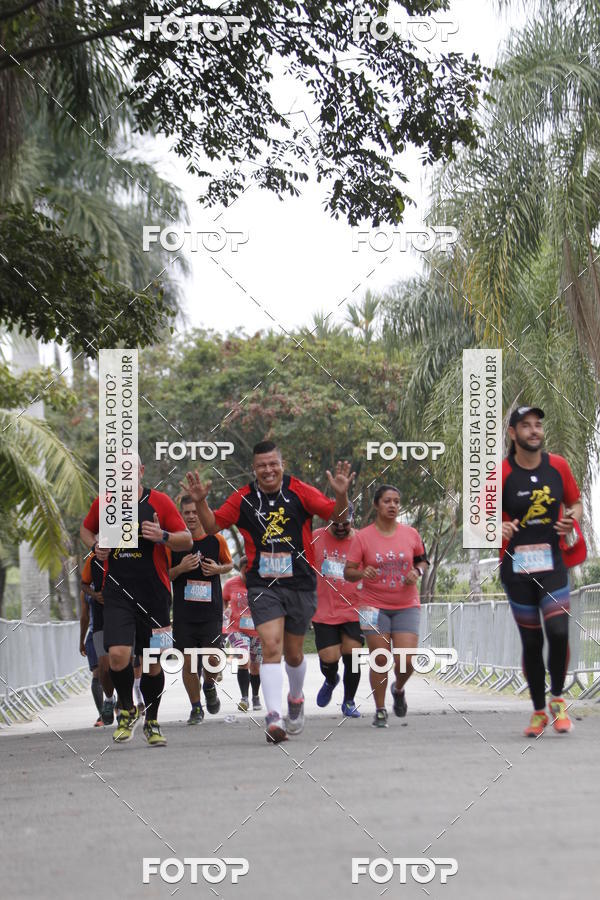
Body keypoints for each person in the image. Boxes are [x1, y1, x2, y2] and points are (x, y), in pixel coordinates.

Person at [184, 440, 354, 743]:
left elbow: (337, 516)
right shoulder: (243, 498)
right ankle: (274, 717)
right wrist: (200, 502)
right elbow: (212, 526)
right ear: (254, 468)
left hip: (300, 582)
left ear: (282, 465)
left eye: (273, 464)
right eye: (262, 465)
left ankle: (296, 698)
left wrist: (340, 494)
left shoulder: (299, 491)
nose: (268, 470)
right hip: (263, 584)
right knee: (271, 645)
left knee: (293, 653)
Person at [80, 455, 192, 746]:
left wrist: (163, 535)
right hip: (117, 593)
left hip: (154, 595)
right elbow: (85, 529)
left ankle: (152, 721)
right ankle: (127, 709)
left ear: (140, 471)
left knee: (154, 662)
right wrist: (95, 546)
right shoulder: (104, 504)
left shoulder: (160, 503)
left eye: (129, 470)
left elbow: (187, 539)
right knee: (117, 655)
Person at [500, 406, 583, 737]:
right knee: (532, 642)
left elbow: (576, 502)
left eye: (538, 425)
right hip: (516, 568)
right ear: (512, 434)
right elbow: (480, 521)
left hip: (552, 564)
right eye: (526, 426)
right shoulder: (501, 473)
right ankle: (537, 711)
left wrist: (570, 517)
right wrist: (499, 527)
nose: (534, 431)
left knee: (559, 632)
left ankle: (558, 700)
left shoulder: (558, 466)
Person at [344, 485, 428, 728]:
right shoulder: (363, 537)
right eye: (387, 501)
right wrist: (362, 572)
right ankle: (380, 709)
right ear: (376, 505)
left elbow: (422, 561)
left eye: (396, 501)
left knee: (406, 661)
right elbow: (348, 572)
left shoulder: (411, 533)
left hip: (406, 604)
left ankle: (398, 689)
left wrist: (417, 571)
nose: (393, 505)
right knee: (380, 658)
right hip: (372, 604)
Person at [167, 494, 233, 725]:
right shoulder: (174, 544)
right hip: (184, 615)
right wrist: (180, 568)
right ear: (181, 515)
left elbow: (229, 564)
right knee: (189, 663)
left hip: (211, 613)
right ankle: (196, 708)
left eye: (195, 512)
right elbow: (163, 575)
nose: (192, 516)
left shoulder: (216, 540)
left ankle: (209, 685)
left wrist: (218, 569)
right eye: (187, 513)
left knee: (213, 660)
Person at [312, 513, 363, 717]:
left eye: (346, 523)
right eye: (336, 523)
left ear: (353, 520)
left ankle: (349, 701)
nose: (341, 527)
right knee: (329, 657)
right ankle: (331, 679)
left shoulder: (361, 540)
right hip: (324, 608)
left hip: (355, 608)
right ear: (328, 520)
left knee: (353, 655)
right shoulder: (316, 537)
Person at [81, 552, 120, 724]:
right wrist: (81, 639)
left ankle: (124, 704)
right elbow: (84, 615)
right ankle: (106, 707)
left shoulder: (125, 557)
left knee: (119, 666)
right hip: (97, 627)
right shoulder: (92, 560)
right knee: (101, 670)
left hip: (121, 621)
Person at [223, 556, 263, 712]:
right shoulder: (231, 584)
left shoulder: (262, 584)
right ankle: (244, 698)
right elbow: (223, 599)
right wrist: (225, 613)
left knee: (256, 667)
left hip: (258, 630)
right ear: (240, 569)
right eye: (246, 571)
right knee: (243, 658)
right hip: (237, 629)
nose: (249, 574)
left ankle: (255, 696)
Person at [79, 587, 102, 727]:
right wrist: (81, 641)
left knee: (117, 671)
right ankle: (102, 714)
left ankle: (121, 707)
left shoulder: (115, 580)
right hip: (93, 634)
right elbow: (84, 616)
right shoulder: (85, 591)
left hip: (115, 632)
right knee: (97, 673)